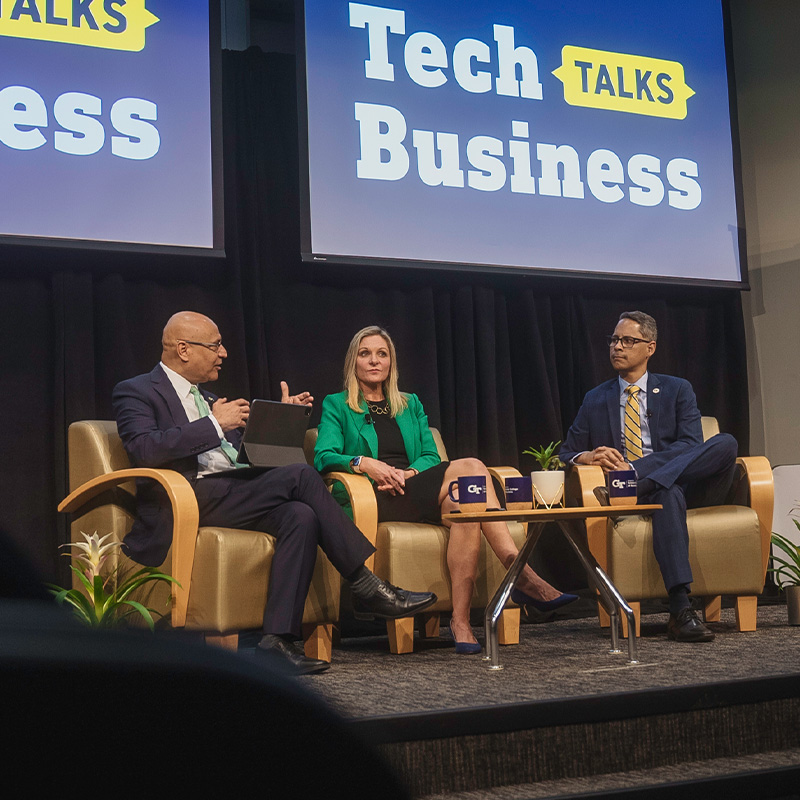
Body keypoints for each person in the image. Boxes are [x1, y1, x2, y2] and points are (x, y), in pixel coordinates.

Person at [112, 312, 436, 675]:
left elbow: (249, 457)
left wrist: (282, 419)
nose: (224, 353)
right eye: (216, 345)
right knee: (300, 475)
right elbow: (144, 449)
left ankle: (275, 640)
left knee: (302, 515)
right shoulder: (137, 390)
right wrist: (214, 424)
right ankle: (364, 584)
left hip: (230, 492)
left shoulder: (208, 397)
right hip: (184, 498)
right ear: (184, 349)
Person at [314, 325, 577, 654]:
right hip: (370, 495)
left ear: (391, 362)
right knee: (472, 469)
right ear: (353, 361)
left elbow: (430, 457)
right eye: (365, 354)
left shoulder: (409, 404)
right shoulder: (337, 405)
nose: (374, 361)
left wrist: (409, 473)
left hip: (412, 488)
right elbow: (323, 456)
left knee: (465, 506)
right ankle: (519, 571)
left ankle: (461, 621)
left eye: (382, 354)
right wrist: (366, 463)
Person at [560, 311, 738, 643]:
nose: (617, 347)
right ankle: (681, 610)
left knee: (726, 443)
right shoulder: (595, 399)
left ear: (650, 347)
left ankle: (644, 480)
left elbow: (690, 446)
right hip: (650, 496)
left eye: (628, 340)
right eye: (614, 339)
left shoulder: (677, 389)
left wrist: (636, 471)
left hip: (676, 485)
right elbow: (565, 452)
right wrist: (588, 455)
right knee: (666, 493)